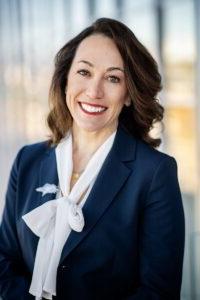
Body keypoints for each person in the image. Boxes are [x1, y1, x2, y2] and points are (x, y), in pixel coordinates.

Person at [0, 17, 185, 300]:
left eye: (113, 78)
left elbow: (157, 292)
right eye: (84, 72)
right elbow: (4, 260)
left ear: (128, 95)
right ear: (65, 81)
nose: (94, 92)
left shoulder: (155, 173)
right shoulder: (28, 160)